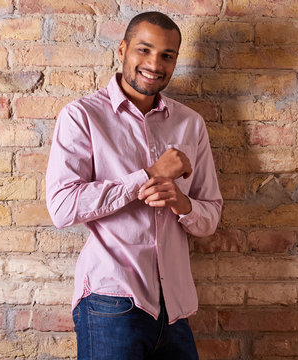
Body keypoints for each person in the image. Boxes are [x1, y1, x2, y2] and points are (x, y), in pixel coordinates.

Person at [45, 11, 222, 359]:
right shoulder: (82, 116)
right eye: (144, 50)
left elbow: (210, 215)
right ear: (123, 49)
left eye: (167, 55)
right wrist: (148, 176)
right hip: (111, 302)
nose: (155, 63)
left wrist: (183, 205)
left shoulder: (190, 125)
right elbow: (62, 207)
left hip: (175, 309)